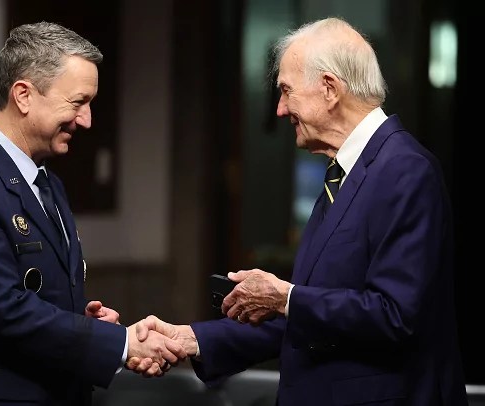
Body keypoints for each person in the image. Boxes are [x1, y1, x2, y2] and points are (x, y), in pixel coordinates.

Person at [130, 16, 468, 405]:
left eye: (286, 91)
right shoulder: (344, 172)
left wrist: (285, 297)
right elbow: (309, 319)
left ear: (329, 89)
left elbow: (395, 315)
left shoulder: (405, 169)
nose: (279, 109)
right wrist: (191, 339)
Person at [0, 21, 184, 405]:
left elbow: (37, 299)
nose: (87, 120)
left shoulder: (47, 183)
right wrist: (122, 344)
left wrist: (83, 323)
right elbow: (5, 312)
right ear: (23, 95)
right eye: (78, 103)